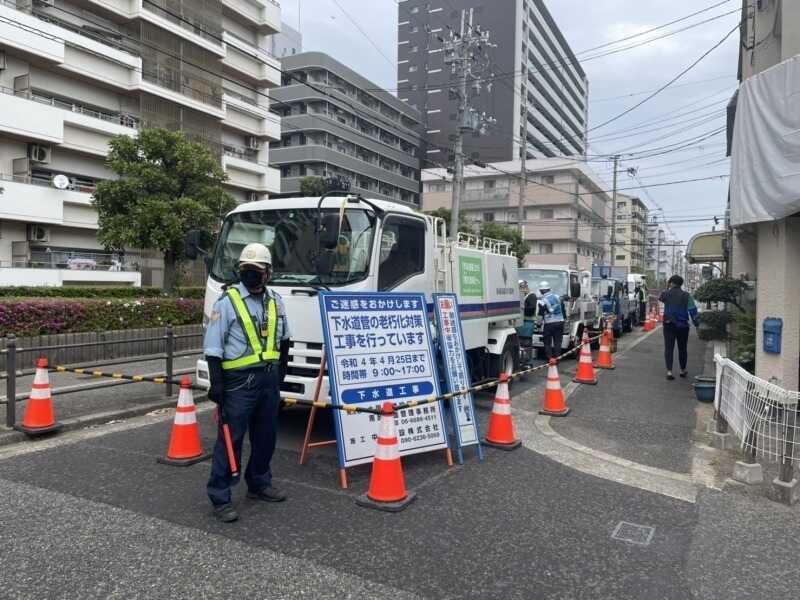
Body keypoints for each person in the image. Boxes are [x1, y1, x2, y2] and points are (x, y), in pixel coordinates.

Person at [203, 242, 291, 523]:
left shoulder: (276, 300)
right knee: (231, 440)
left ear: (268, 272)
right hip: (238, 384)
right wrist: (217, 384)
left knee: (266, 438)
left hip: (268, 381)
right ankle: (220, 496)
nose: (251, 274)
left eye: (256, 269)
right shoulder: (227, 302)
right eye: (246, 269)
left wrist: (281, 374)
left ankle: (259, 483)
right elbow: (214, 346)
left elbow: (285, 339)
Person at [659, 274, 699, 380]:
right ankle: (682, 370)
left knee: (669, 348)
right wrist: (696, 323)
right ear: (681, 284)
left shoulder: (666, 294)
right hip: (682, 326)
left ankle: (669, 372)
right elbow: (692, 310)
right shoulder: (686, 295)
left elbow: (661, 297)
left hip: (668, 324)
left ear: (671, 283)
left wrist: (667, 288)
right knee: (682, 348)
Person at [537, 281, 565, 361]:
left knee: (547, 342)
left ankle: (550, 359)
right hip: (560, 322)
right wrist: (563, 318)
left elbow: (540, 314)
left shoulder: (542, 301)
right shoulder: (557, 297)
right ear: (549, 289)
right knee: (558, 342)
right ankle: (557, 358)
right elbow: (563, 309)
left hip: (549, 324)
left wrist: (539, 324)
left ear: (542, 290)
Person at [516, 280, 537, 366]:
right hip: (520, 324)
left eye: (521, 288)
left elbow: (531, 309)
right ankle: (521, 361)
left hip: (527, 323)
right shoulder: (523, 296)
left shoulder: (531, 296)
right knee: (520, 343)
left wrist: (522, 308)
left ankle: (528, 362)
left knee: (526, 343)